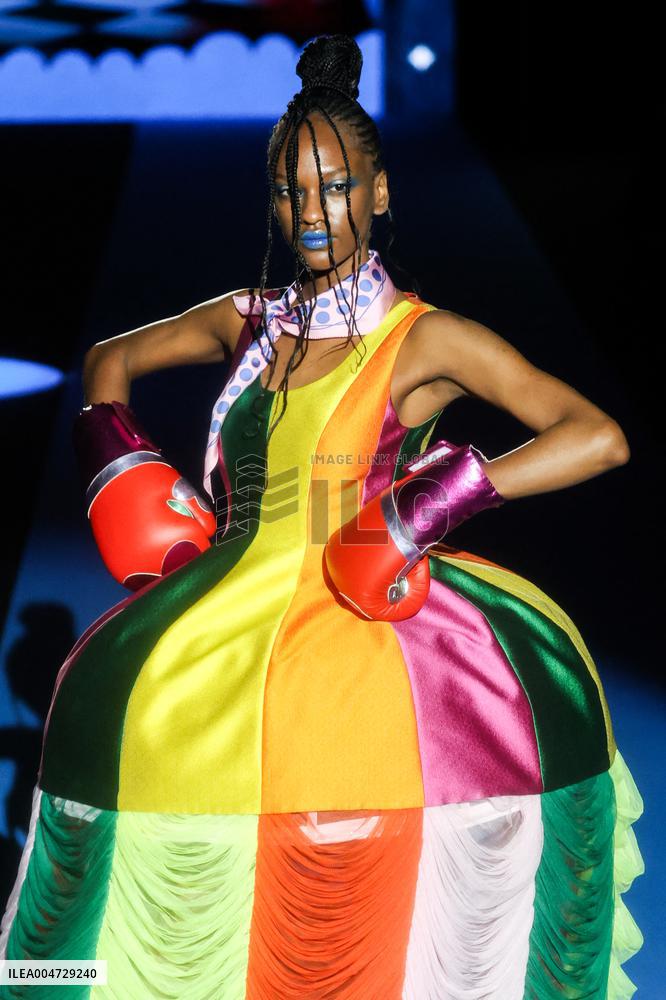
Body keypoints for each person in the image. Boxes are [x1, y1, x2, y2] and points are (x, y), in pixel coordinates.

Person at [0, 33, 644, 1000]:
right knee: (107, 714)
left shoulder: (424, 338)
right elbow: (108, 362)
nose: (313, 212)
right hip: (226, 596)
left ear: (378, 195)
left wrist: (435, 507)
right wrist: (132, 488)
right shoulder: (248, 320)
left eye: (336, 188)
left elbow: (597, 437)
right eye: (294, 192)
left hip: (368, 602)